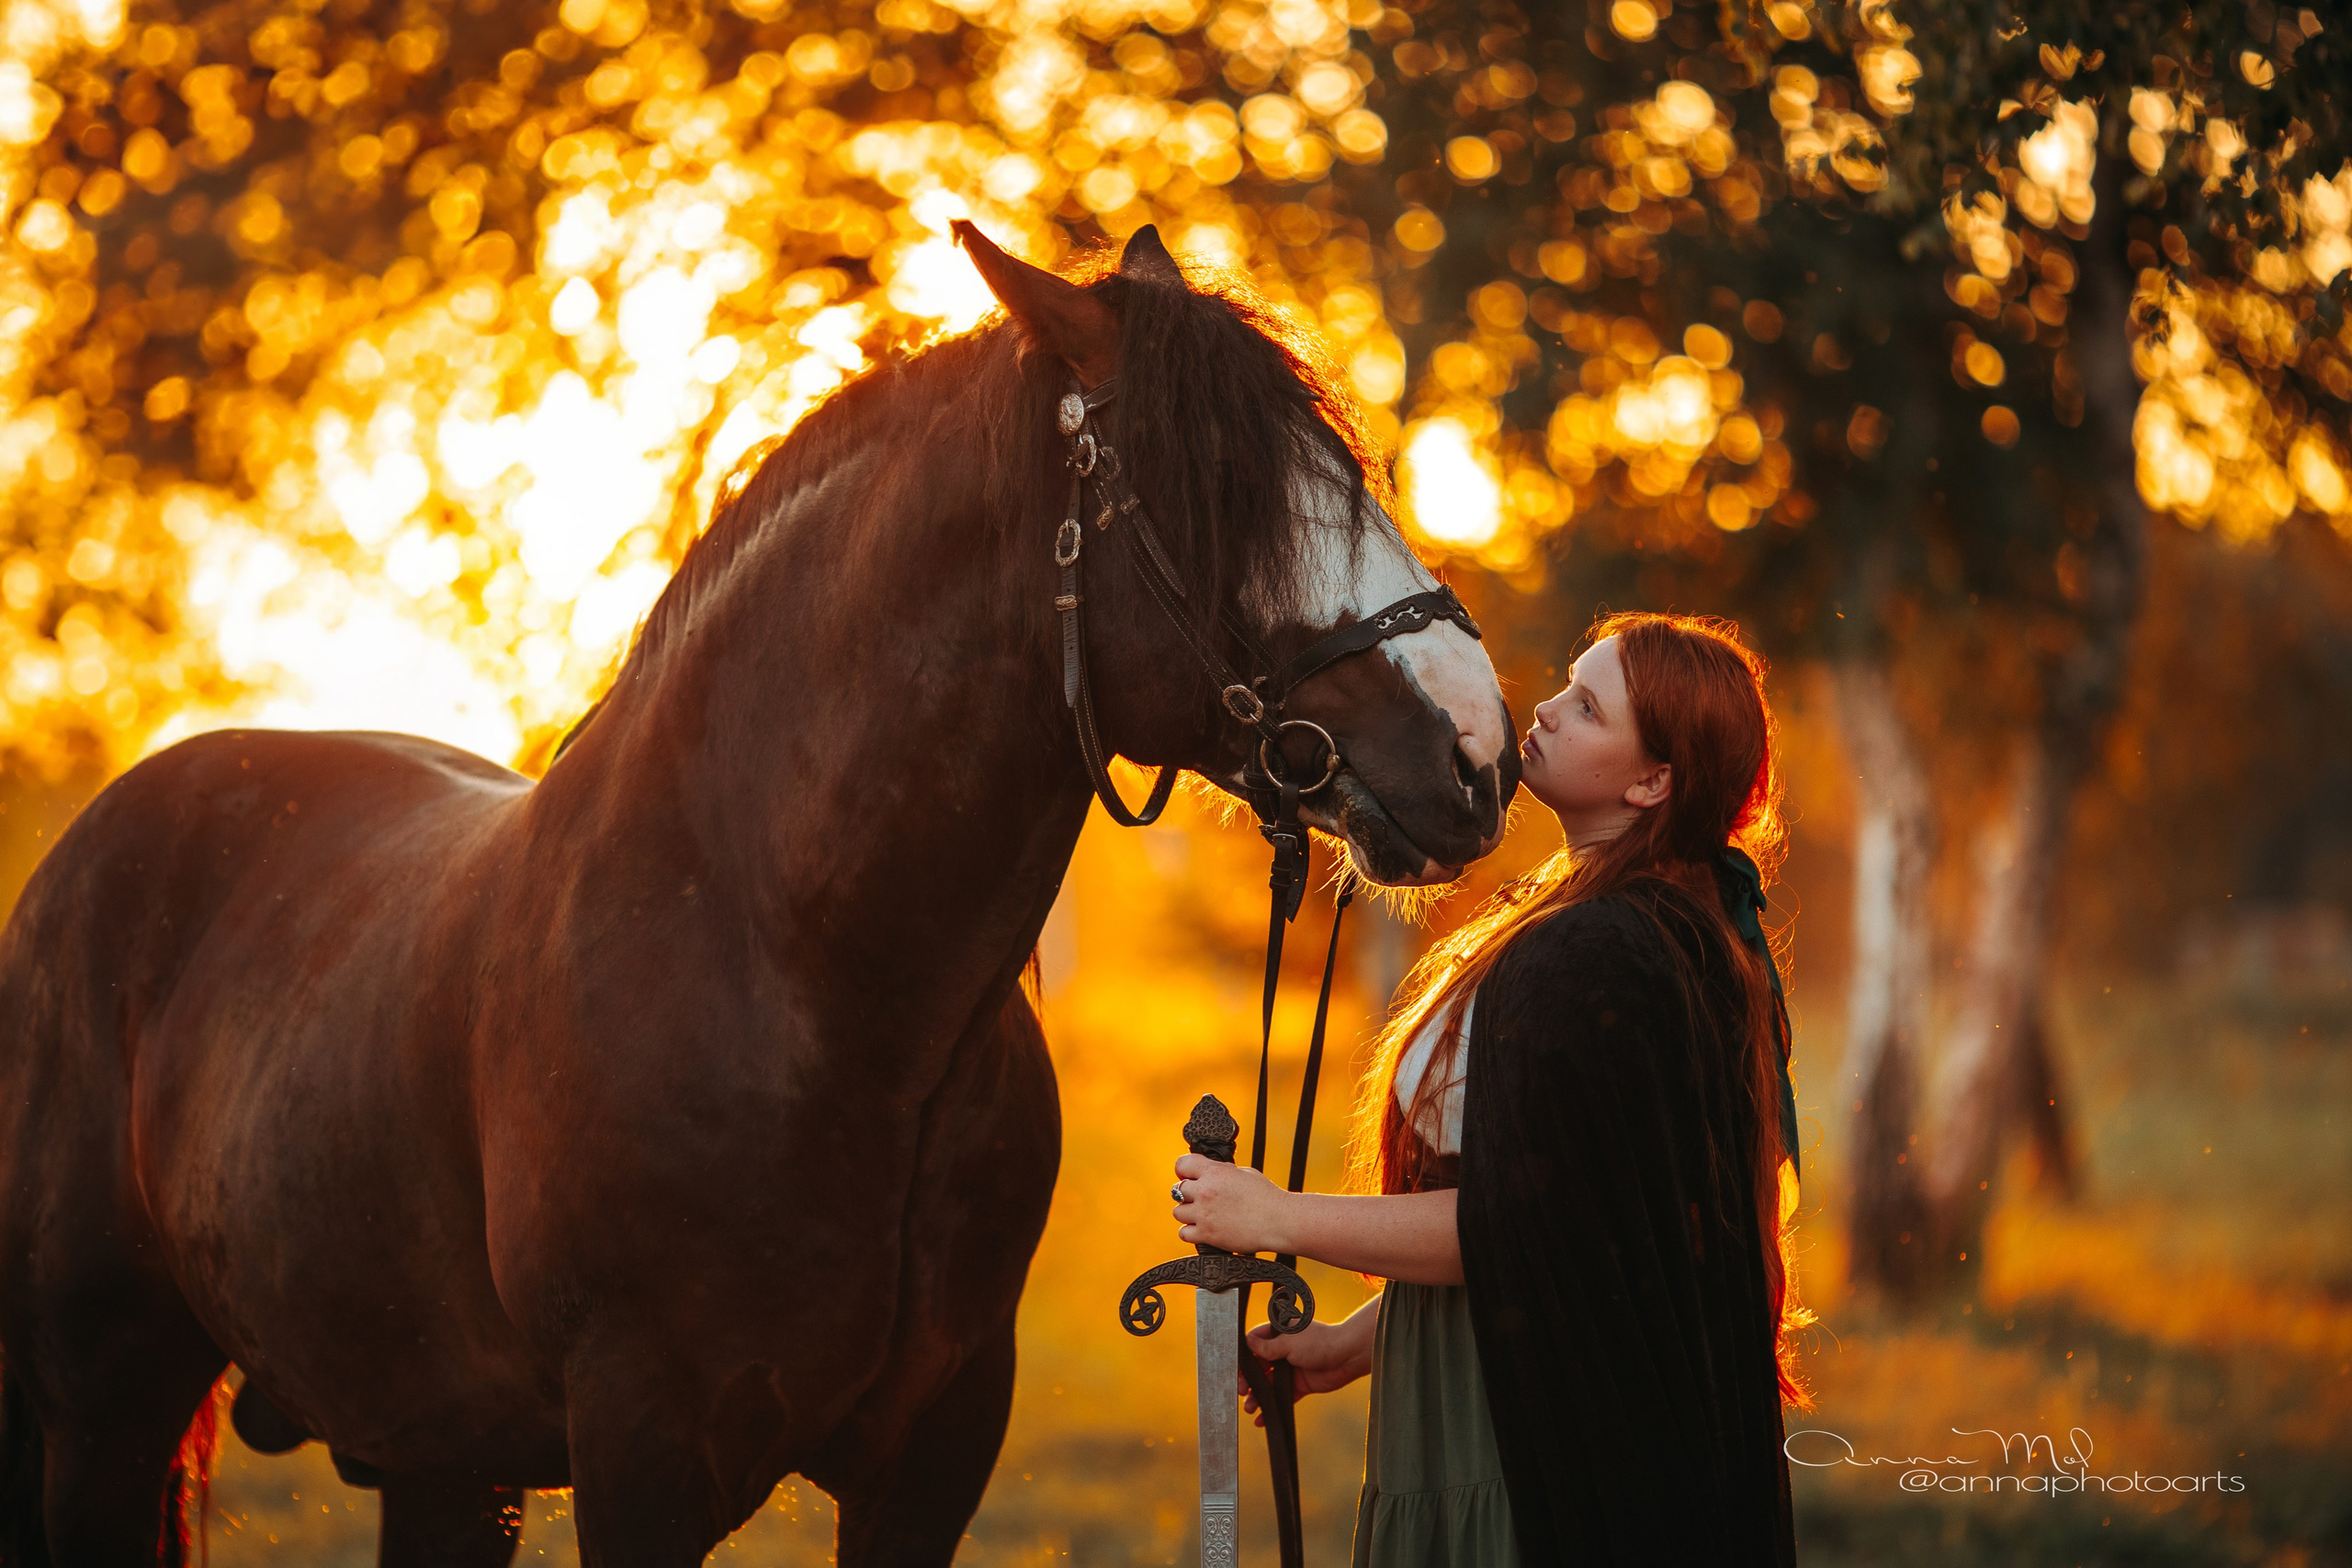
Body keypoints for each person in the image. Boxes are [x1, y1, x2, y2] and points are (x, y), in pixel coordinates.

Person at [1170, 610, 1814, 1566]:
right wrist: (1358, 1341)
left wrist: (1277, 1217)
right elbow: (1596, 1230)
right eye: (1566, 680)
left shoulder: (1606, 952)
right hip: (1497, 1375)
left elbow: (1518, 1223)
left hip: (1529, 1437)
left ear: (1651, 782)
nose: (1546, 709)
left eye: (1589, 708)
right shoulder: (1617, 925)